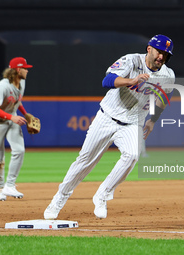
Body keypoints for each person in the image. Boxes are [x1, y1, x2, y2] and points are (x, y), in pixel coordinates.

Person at [44, 34, 175, 219]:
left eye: (166, 54)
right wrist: (131, 81)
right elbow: (106, 81)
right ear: (149, 49)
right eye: (159, 52)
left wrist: (153, 119)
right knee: (85, 162)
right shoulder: (131, 60)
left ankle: (102, 195)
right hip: (107, 118)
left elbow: (164, 97)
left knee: (132, 155)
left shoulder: (168, 75)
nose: (161, 57)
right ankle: (58, 200)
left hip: (133, 123)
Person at [0, 57, 33, 201]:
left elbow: (16, 101)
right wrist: (12, 118)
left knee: (19, 150)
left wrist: (25, 114)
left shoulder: (22, 82)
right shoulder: (3, 86)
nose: (27, 70)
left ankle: (10, 185)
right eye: (25, 68)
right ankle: (0, 188)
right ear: (18, 70)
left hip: (11, 118)